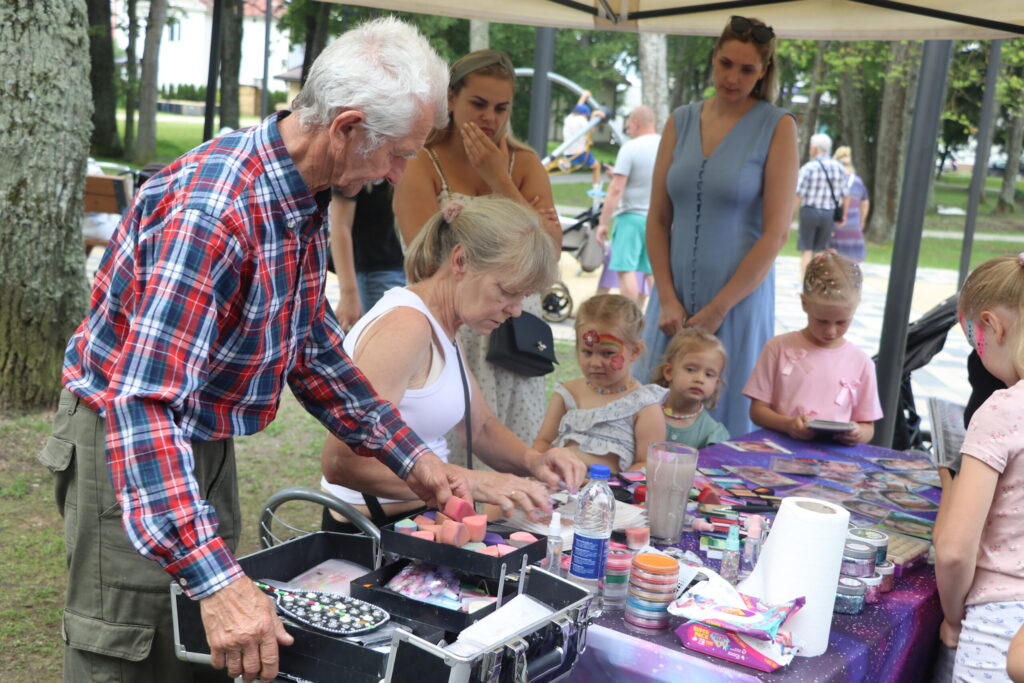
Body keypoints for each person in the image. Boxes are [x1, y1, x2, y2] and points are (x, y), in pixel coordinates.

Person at [37, 18, 462, 683]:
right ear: (347, 128)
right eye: (397, 154)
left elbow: (312, 347)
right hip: (129, 438)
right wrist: (219, 584)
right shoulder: (213, 213)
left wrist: (414, 459)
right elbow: (143, 405)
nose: (395, 175)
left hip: (199, 435)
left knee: (200, 643)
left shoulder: (300, 192)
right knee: (134, 646)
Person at [320, 198, 585, 528]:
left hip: (421, 519)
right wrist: (471, 481)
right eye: (507, 291)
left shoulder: (444, 324)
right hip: (372, 532)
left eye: (522, 297)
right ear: (460, 261)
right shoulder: (406, 327)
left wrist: (535, 461)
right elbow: (341, 462)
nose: (516, 310)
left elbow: (481, 426)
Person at [393, 49, 561, 469]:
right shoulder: (423, 161)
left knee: (514, 441)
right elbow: (427, 258)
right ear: (451, 98)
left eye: (501, 108)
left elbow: (548, 256)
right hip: (454, 325)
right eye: (479, 104)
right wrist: (522, 218)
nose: (490, 118)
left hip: (515, 328)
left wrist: (498, 178)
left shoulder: (522, 163)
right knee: (454, 448)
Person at [633, 15, 799, 438]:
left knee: (727, 427)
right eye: (726, 64)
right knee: (651, 418)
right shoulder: (680, 120)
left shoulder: (777, 126)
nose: (732, 77)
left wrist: (719, 309)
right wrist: (666, 297)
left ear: (763, 71)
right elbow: (658, 218)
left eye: (746, 69)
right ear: (713, 57)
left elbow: (776, 234)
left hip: (737, 304)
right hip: (671, 305)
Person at [933, 254, 1024, 681]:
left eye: (976, 343)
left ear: (993, 325)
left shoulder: (1001, 411)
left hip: (996, 633)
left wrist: (952, 617)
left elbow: (953, 550)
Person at [743, 251, 882, 445]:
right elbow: (757, 411)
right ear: (804, 303)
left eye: (841, 322)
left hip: (834, 455)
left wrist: (857, 433)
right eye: (822, 321)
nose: (831, 331)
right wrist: (788, 425)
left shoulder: (861, 362)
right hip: (780, 449)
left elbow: (868, 426)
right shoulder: (777, 348)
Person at [533, 294, 666, 474]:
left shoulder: (644, 405)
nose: (595, 363)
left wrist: (603, 484)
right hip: (556, 483)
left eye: (608, 353)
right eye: (587, 352)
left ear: (635, 351)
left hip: (609, 489)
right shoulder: (567, 393)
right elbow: (544, 442)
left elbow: (647, 464)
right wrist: (539, 468)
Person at [594, 106, 660, 306]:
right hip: (657, 219)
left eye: (628, 125)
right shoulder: (666, 145)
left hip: (631, 217)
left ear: (636, 123)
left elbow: (616, 189)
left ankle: (629, 317)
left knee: (626, 270)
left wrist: (603, 222)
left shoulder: (630, 148)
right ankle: (656, 316)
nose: (627, 130)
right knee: (651, 272)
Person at [329, 181, 406, 331]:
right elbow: (340, 226)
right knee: (388, 335)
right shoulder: (354, 175)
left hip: (403, 264)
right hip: (374, 271)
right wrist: (348, 293)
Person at [650, 328, 730, 449]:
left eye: (709, 374)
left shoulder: (712, 433)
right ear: (669, 372)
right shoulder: (644, 413)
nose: (700, 379)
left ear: (716, 383)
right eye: (691, 370)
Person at [795, 133, 849, 279]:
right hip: (828, 213)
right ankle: (816, 281)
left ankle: (805, 280)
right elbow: (846, 194)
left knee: (806, 249)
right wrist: (844, 215)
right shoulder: (838, 168)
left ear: (815, 148)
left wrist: (792, 213)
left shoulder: (808, 168)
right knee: (820, 250)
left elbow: (798, 193)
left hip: (809, 211)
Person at [827, 146, 869, 263]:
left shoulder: (832, 180)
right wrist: (862, 220)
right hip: (853, 225)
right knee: (852, 261)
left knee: (832, 260)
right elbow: (865, 203)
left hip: (834, 223)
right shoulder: (858, 181)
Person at [562, 89, 605, 190]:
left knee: (573, 158)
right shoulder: (581, 120)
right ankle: (595, 189)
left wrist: (584, 96)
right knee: (596, 166)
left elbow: (579, 106)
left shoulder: (569, 118)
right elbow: (590, 130)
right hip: (579, 153)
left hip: (567, 152)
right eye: (587, 116)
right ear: (585, 114)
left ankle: (566, 164)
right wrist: (594, 116)